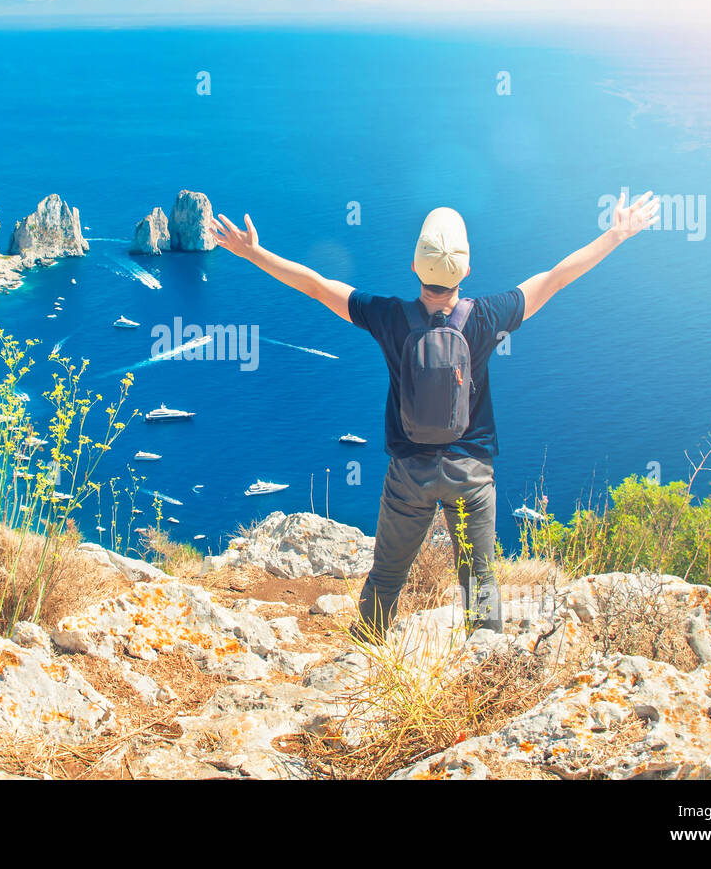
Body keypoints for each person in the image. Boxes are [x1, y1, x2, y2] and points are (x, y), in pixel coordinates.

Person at [210, 190, 661, 639]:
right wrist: (617, 233)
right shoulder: (487, 316)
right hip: (471, 473)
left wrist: (253, 252)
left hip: (409, 476)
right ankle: (487, 670)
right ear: (466, 269)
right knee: (479, 585)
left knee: (387, 577)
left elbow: (314, 285)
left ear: (413, 266)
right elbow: (557, 277)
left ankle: (367, 649)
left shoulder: (387, 317)